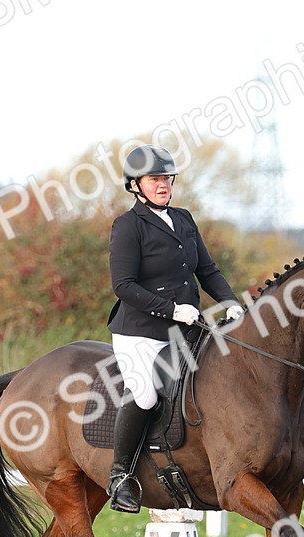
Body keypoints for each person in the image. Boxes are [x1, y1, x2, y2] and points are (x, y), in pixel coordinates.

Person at [105, 144, 245, 513]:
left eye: (167, 178)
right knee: (147, 395)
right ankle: (121, 476)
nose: (164, 184)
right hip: (140, 333)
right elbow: (124, 285)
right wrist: (171, 310)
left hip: (187, 329)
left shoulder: (183, 219)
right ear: (135, 185)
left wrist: (229, 301)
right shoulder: (128, 225)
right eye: (155, 179)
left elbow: (207, 270)